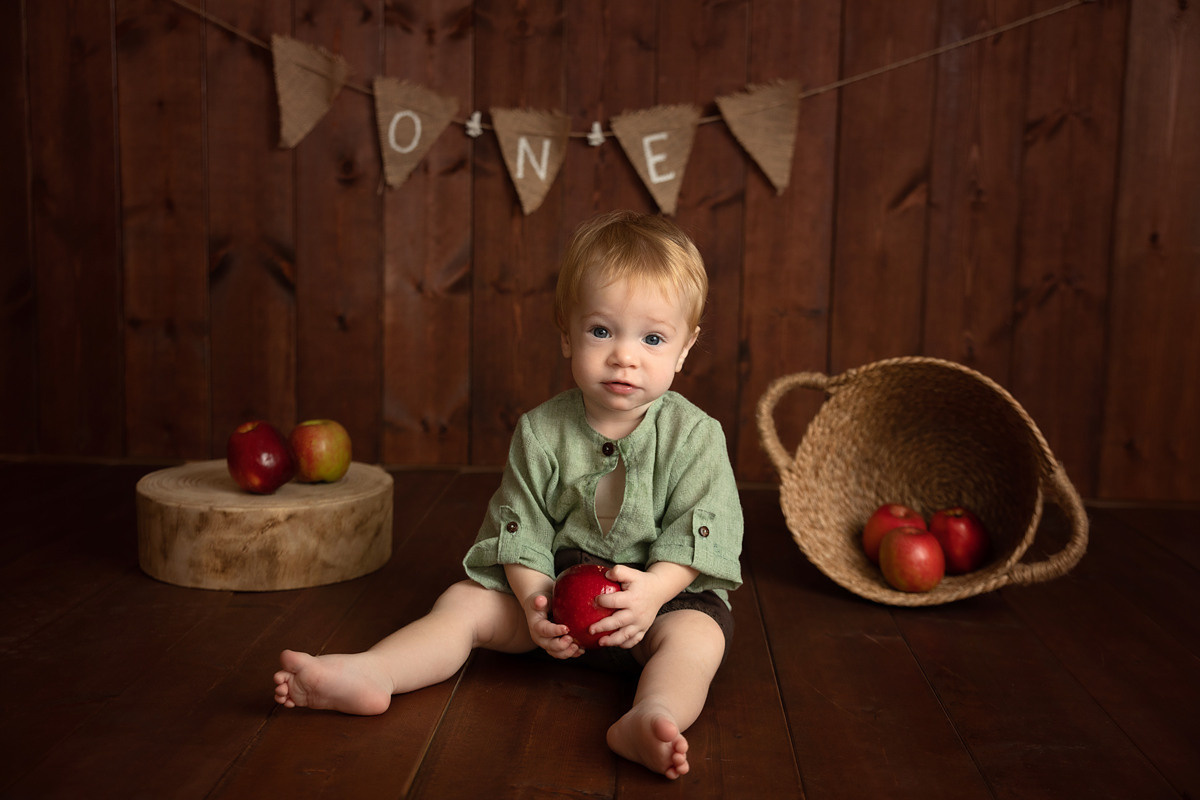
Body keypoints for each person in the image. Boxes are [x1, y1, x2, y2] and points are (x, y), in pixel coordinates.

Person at [273, 210, 744, 780]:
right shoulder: (541, 430)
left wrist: (652, 594)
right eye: (601, 331)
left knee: (697, 639)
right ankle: (376, 671)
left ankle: (652, 713)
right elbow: (519, 526)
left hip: (656, 600)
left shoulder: (697, 435)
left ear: (684, 348)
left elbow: (704, 527)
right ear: (567, 333)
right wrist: (532, 602)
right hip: (552, 592)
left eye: (652, 337)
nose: (625, 355)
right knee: (464, 603)